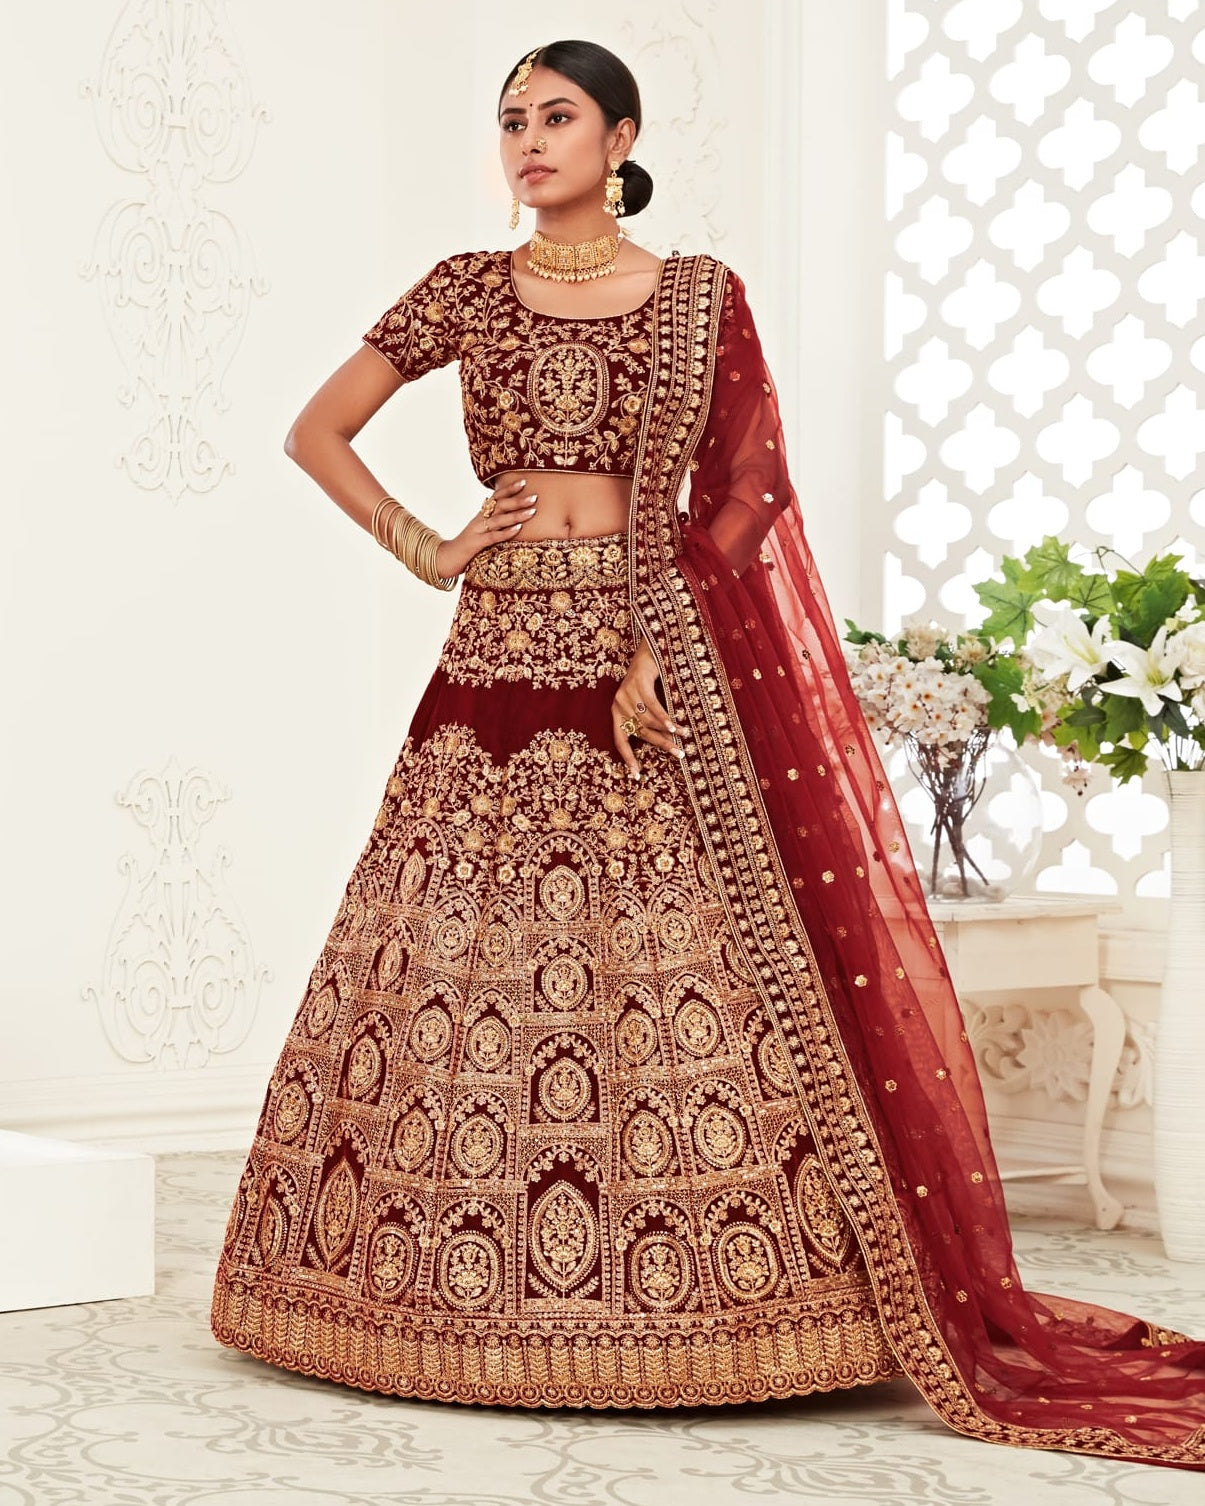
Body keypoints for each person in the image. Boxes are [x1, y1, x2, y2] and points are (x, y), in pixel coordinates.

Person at [210, 39, 1205, 1467]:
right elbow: (317, 429)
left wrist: (656, 645)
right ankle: (409, 1295)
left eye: (556, 117)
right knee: (447, 952)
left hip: (639, 653)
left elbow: (744, 487)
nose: (527, 142)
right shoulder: (462, 287)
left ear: (620, 137)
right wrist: (430, 546)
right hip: (494, 647)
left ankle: (731, 1304)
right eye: (508, 122)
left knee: (672, 965)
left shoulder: (697, 299)